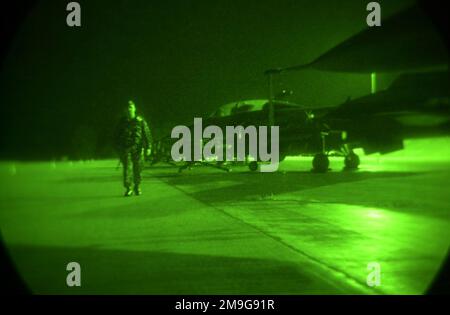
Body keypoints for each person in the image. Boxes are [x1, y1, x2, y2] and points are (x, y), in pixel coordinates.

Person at [114, 100, 152, 196]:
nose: (129, 109)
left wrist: (149, 147)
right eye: (127, 108)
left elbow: (147, 134)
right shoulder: (121, 122)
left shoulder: (140, 121)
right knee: (127, 169)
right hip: (126, 150)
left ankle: (137, 186)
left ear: (135, 109)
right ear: (125, 110)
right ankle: (128, 188)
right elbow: (115, 136)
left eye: (131, 107)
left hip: (138, 149)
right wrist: (118, 148)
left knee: (138, 169)